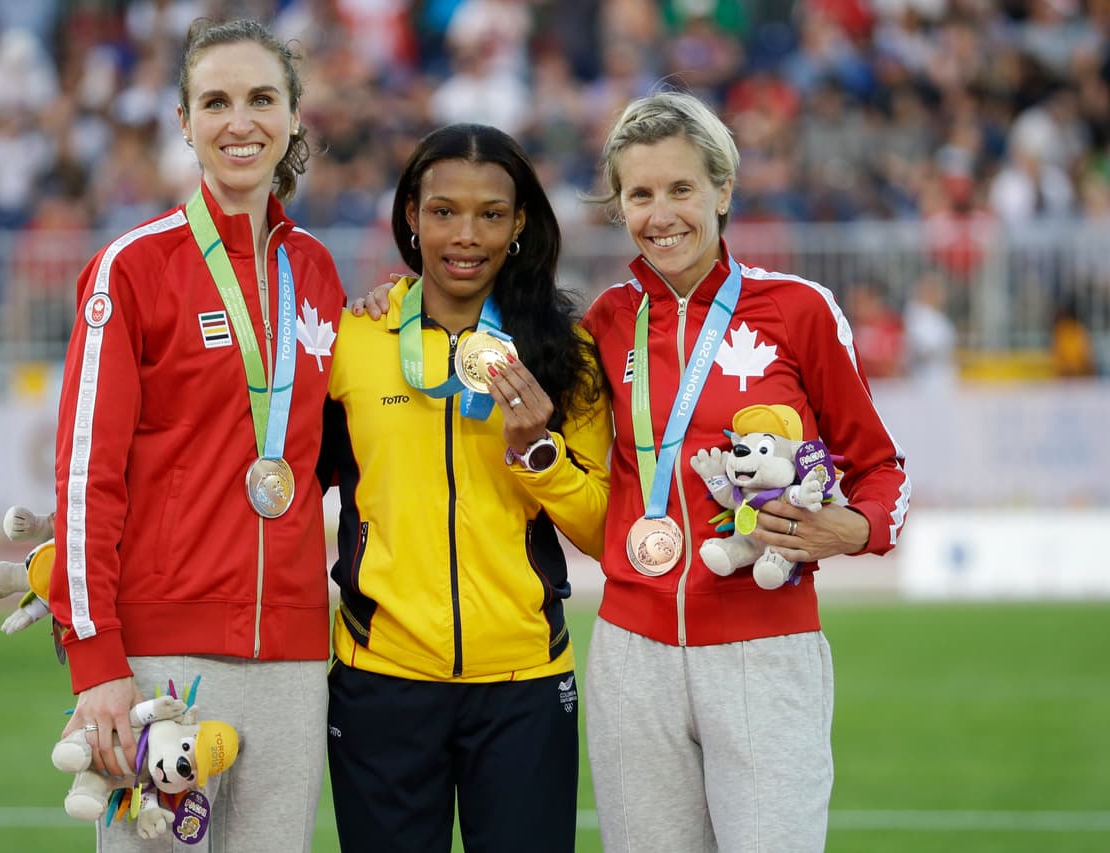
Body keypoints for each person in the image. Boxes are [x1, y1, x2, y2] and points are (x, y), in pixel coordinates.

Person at [579, 91, 910, 852]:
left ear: (723, 191)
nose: (661, 214)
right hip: (631, 655)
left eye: (681, 188)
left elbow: (881, 467)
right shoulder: (604, 321)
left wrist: (855, 526)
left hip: (765, 648)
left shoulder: (798, 309)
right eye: (640, 194)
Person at [48, 18, 345, 852]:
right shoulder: (131, 268)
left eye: (261, 99)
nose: (239, 122)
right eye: (216, 102)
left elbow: (330, 451)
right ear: (184, 121)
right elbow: (86, 477)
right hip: (161, 662)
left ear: (293, 115)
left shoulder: (317, 271)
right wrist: (97, 662)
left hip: (293, 657)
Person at [321, 123, 611, 853]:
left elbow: (606, 531)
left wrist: (537, 453)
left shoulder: (564, 349)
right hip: (381, 678)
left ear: (519, 225)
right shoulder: (352, 340)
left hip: (524, 683)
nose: (466, 235)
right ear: (411, 216)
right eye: (444, 210)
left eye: (491, 214)